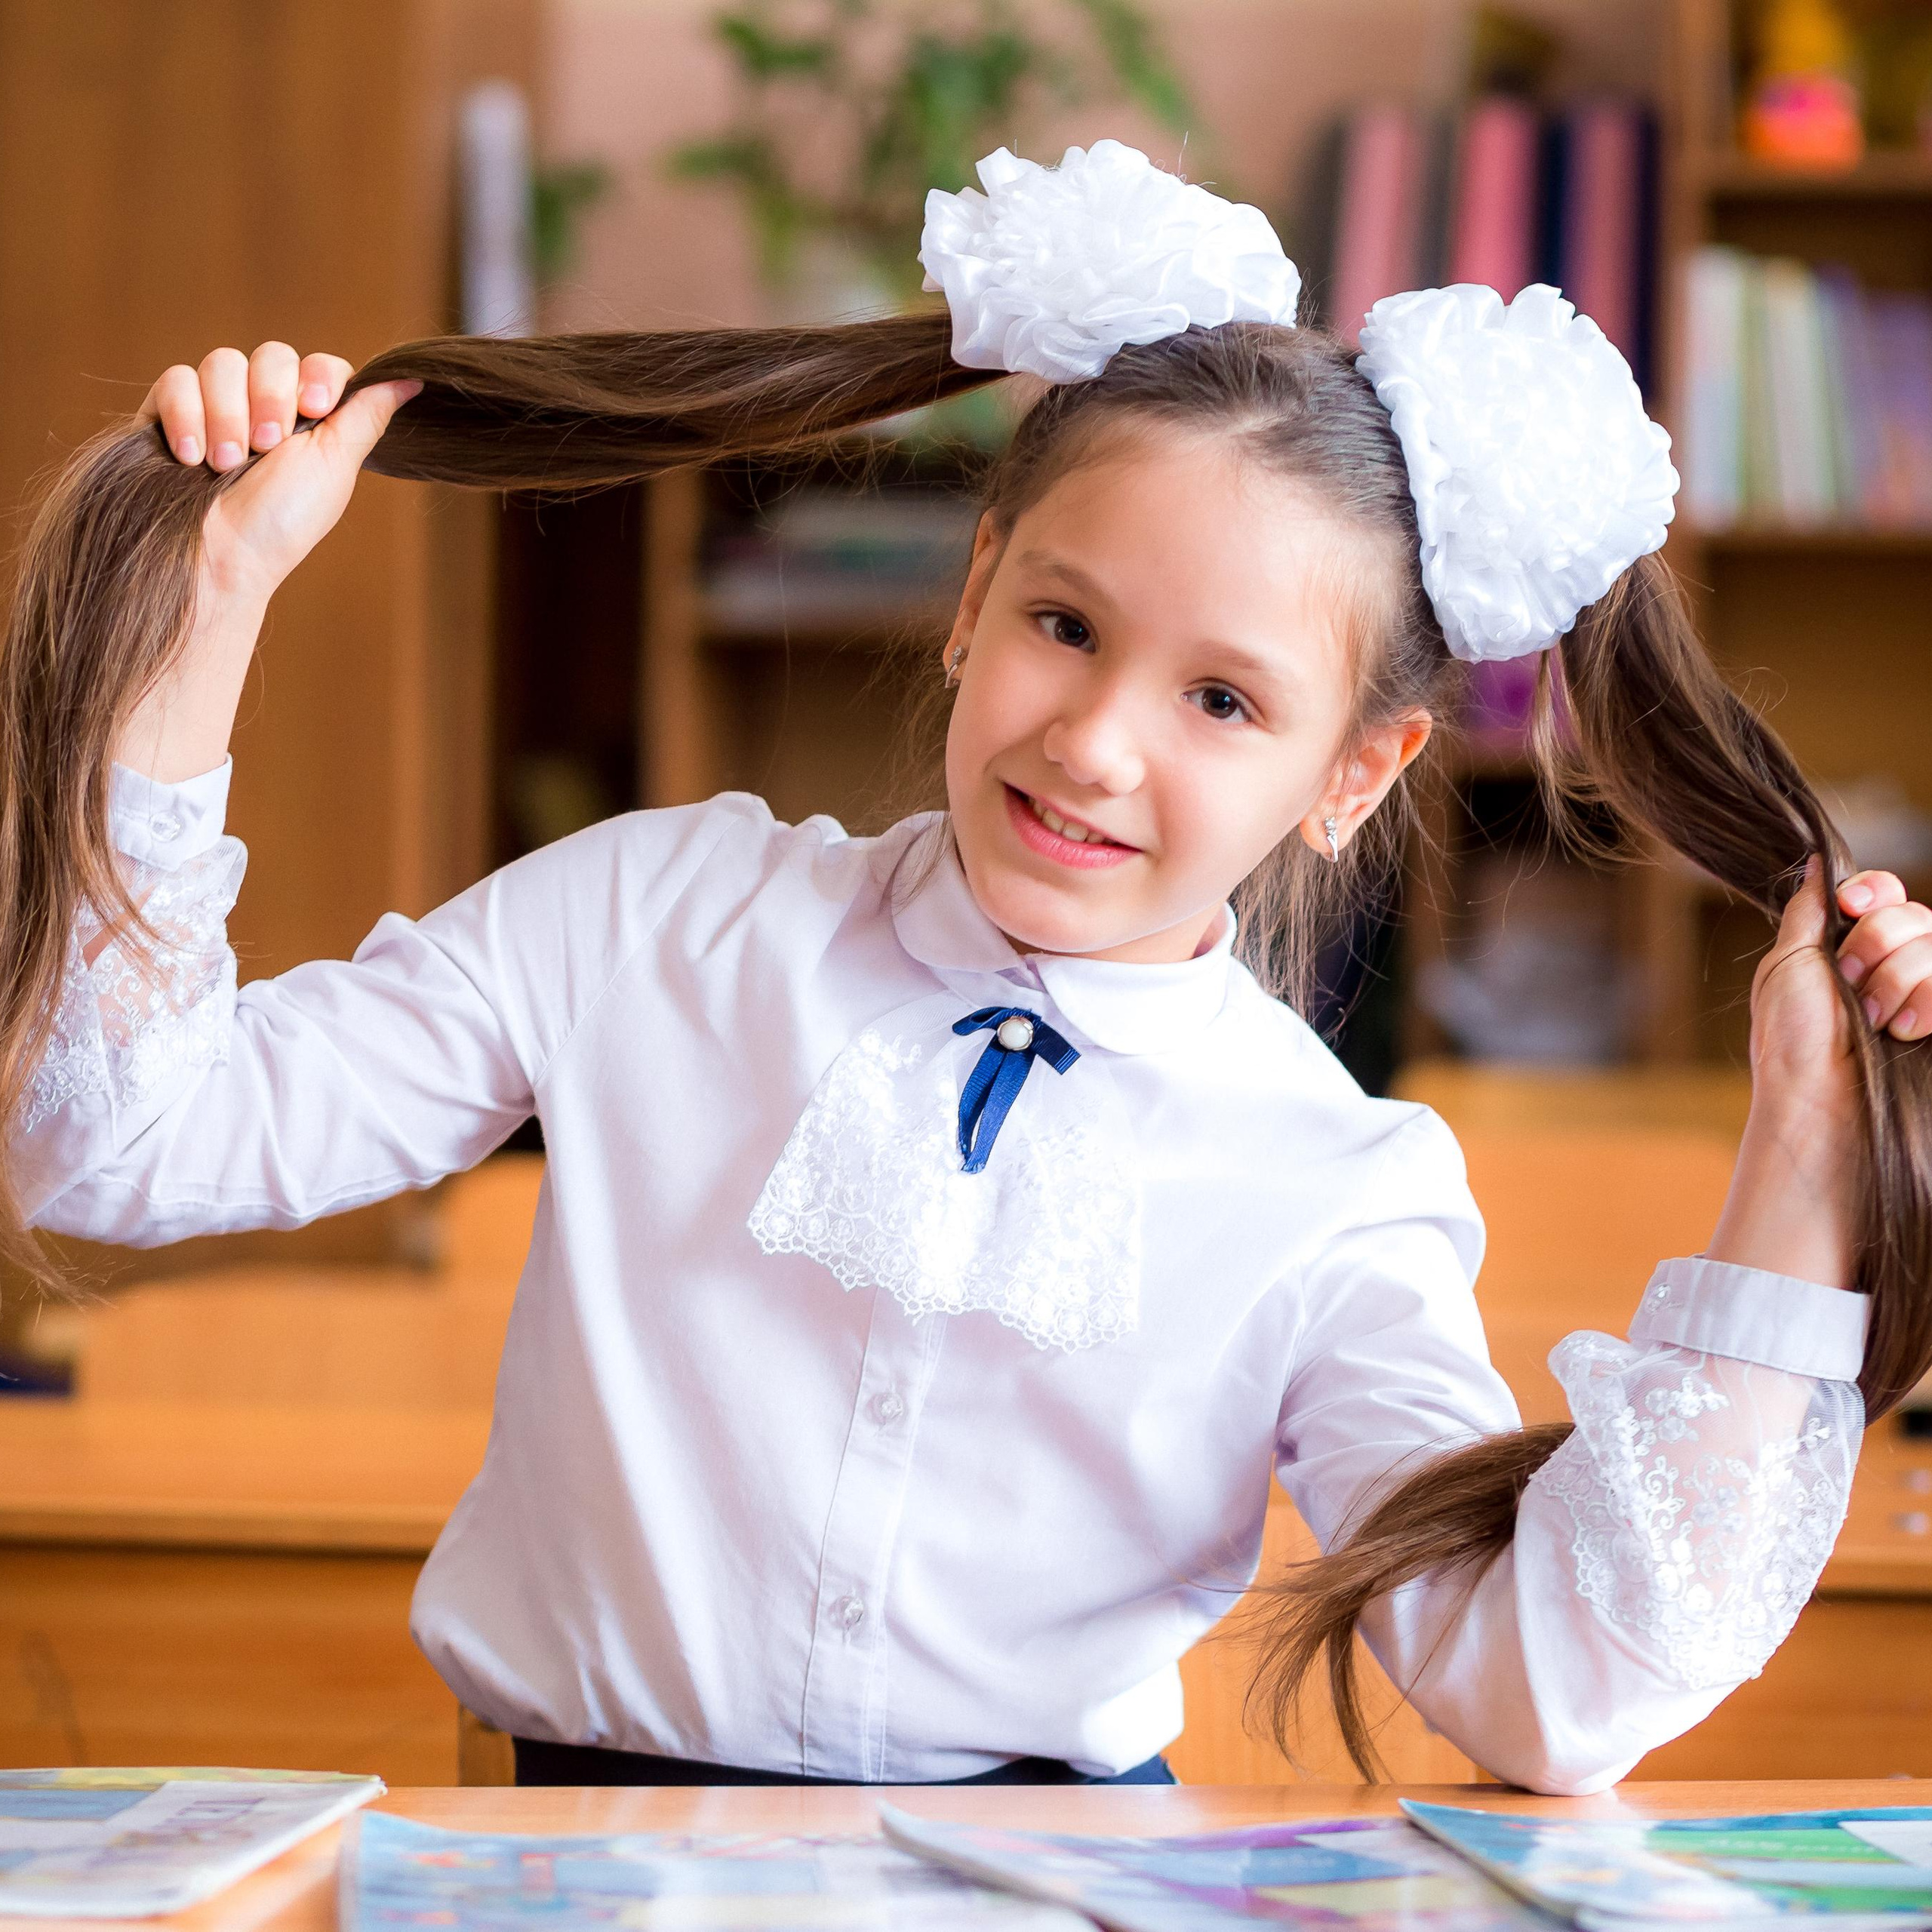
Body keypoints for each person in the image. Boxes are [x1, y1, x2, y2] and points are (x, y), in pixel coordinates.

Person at [5, 140, 1929, 1795]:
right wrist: (207, 618)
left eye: (1221, 698)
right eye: (1064, 624)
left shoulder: (1332, 1182)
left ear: (1355, 773)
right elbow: (113, 1146)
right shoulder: (650, 916)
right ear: (972, 590)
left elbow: (1551, 1687)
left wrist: (1803, 1151)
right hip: (565, 1858)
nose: (1095, 741)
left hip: (1045, 1883)